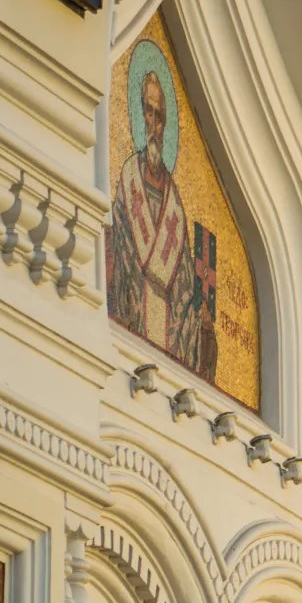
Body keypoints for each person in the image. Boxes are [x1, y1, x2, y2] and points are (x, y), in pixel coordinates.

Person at [107, 61, 217, 384]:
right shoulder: (128, 178)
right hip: (127, 332)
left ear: (166, 125)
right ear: (141, 115)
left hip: (168, 344)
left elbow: (183, 283)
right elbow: (118, 252)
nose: (153, 123)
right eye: (149, 112)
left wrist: (199, 319)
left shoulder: (176, 206)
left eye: (159, 116)